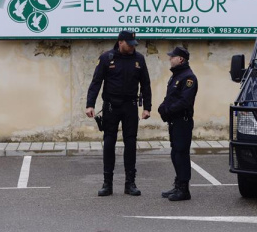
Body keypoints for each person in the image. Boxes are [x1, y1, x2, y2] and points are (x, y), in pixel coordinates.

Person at [85, 30, 152, 197]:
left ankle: (130, 183)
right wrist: (90, 104)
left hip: (130, 106)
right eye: (129, 44)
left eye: (133, 45)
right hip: (111, 107)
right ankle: (107, 183)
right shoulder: (107, 58)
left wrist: (147, 107)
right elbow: (96, 81)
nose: (132, 47)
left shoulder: (139, 59)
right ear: (120, 42)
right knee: (109, 143)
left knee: (130, 144)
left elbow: (146, 84)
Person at [158, 47, 198, 201]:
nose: (170, 59)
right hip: (174, 121)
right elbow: (171, 97)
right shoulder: (176, 76)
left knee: (181, 154)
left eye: (172, 57)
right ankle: (178, 184)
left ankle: (184, 189)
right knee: (175, 153)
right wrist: (162, 107)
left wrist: (168, 111)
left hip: (183, 120)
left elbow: (184, 101)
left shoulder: (189, 78)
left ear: (181, 59)